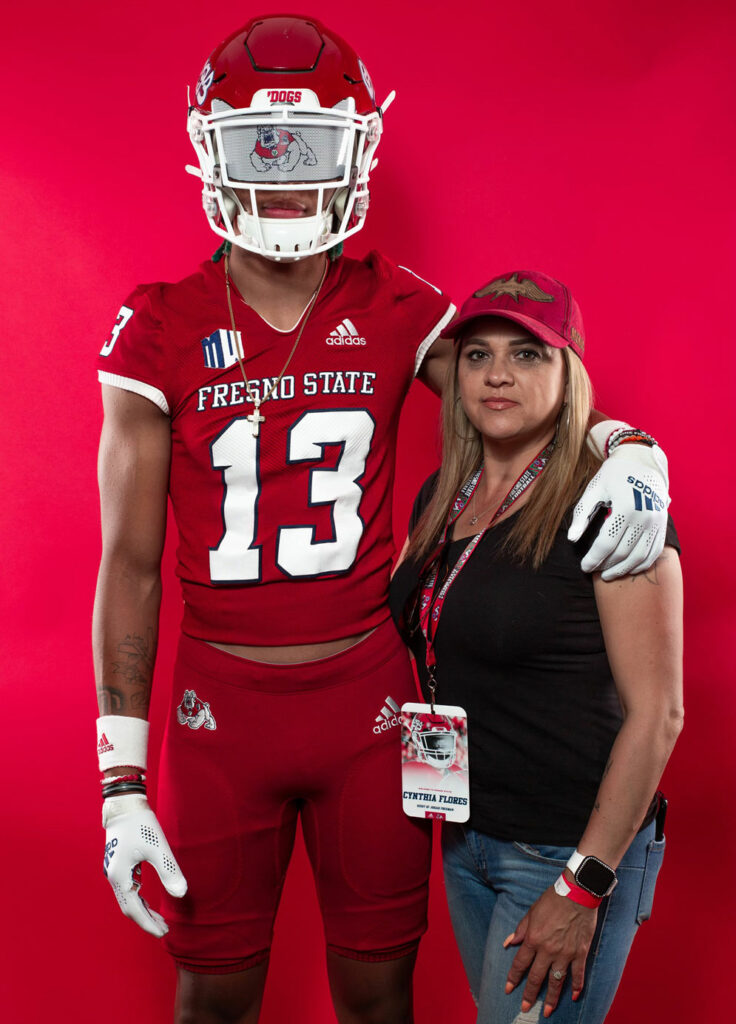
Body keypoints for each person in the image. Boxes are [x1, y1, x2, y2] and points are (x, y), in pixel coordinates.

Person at [92, 15, 673, 1024]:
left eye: (307, 147)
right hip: (220, 710)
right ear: (208, 150)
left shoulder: (399, 307)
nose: (281, 178)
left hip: (368, 705)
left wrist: (629, 446)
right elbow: (130, 564)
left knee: (377, 995)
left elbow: (525, 396)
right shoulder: (157, 327)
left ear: (355, 149)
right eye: (258, 147)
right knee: (211, 998)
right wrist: (119, 774)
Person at [390, 270, 683, 1023]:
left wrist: (582, 884)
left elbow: (659, 716)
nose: (496, 374)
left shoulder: (613, 503)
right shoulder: (442, 497)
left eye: (528, 355)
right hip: (465, 837)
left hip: (563, 849)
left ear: (569, 370)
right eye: (478, 354)